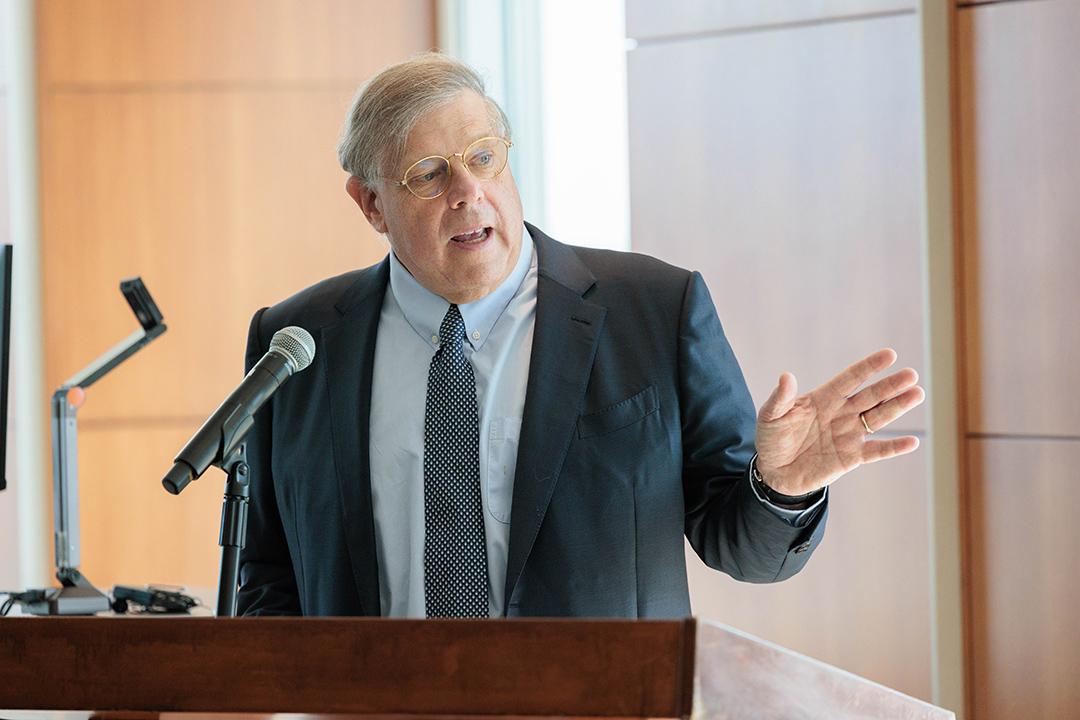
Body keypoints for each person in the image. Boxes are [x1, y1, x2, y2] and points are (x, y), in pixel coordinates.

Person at [236, 53, 924, 618]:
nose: (469, 193)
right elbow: (265, 569)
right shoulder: (296, 341)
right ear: (371, 204)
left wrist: (780, 489)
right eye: (428, 174)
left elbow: (742, 549)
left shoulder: (654, 309)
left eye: (484, 157)